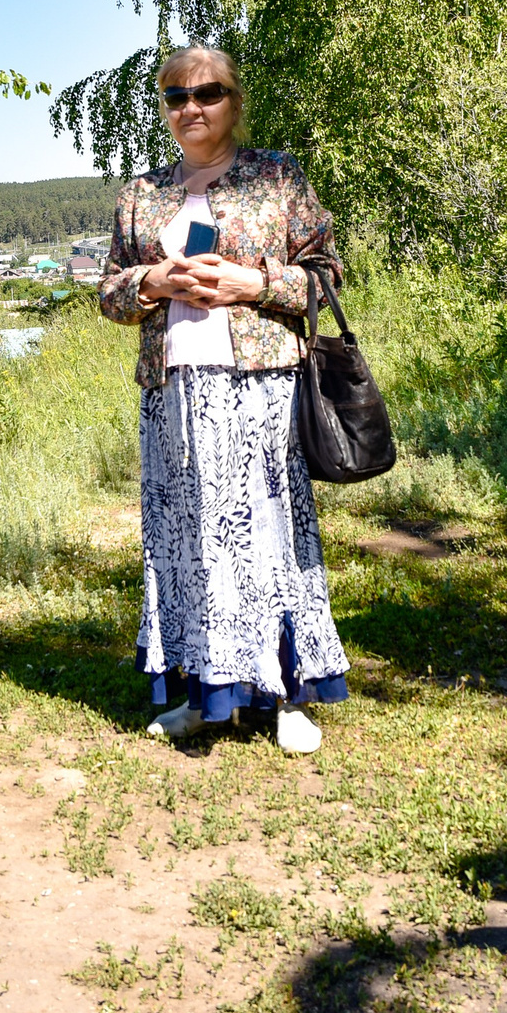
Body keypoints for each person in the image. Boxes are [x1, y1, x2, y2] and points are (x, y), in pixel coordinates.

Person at [96, 47, 353, 755]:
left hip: (260, 387)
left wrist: (253, 284)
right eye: (176, 96)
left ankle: (285, 695)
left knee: (267, 537)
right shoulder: (141, 194)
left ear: (234, 101)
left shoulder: (277, 176)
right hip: (172, 393)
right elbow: (110, 292)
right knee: (185, 543)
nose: (192, 107)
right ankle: (204, 693)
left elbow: (327, 276)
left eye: (208, 93)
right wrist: (151, 283)